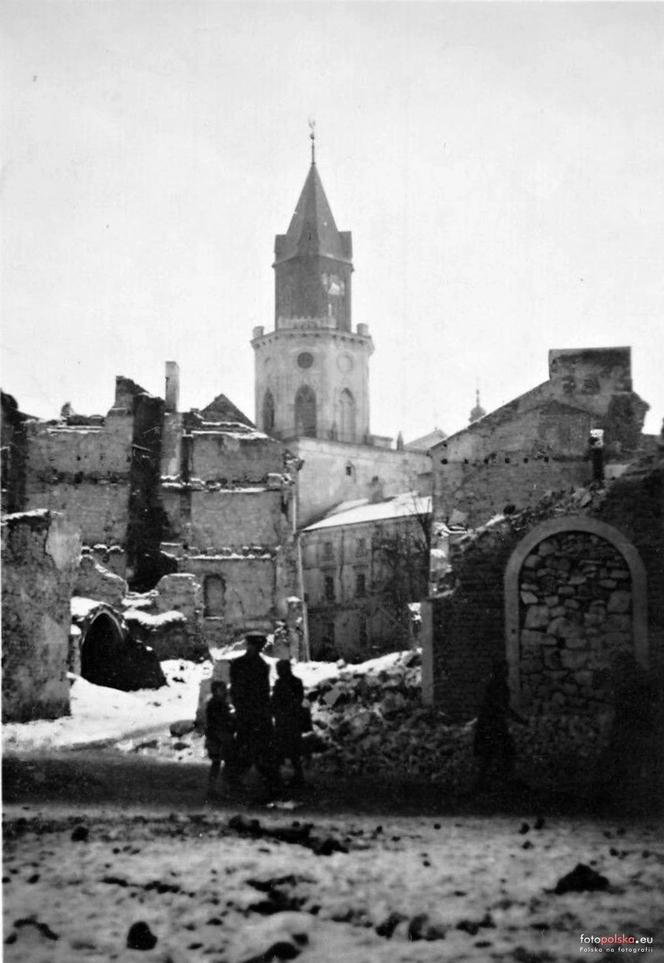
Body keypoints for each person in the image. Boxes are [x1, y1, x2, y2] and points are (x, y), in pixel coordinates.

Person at [229, 633, 281, 794]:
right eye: (255, 645)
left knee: (251, 748)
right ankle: (266, 781)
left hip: (251, 714)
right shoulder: (256, 665)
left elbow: (240, 691)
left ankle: (238, 780)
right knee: (256, 748)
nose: (256, 648)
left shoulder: (245, 664)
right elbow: (240, 691)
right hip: (253, 714)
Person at [473, 659, 525, 792]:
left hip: (490, 723)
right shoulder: (498, 686)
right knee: (502, 750)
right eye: (505, 669)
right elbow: (502, 707)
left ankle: (485, 781)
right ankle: (498, 780)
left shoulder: (496, 685)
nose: (507, 672)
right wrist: (519, 720)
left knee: (492, 753)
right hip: (493, 724)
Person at [271, 659, 306, 787]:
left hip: (286, 722)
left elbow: (276, 702)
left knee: (283, 750)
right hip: (291, 722)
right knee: (292, 751)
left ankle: (280, 778)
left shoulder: (282, 684)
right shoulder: (295, 682)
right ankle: (297, 776)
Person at [204, 680, 236, 798]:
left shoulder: (216, 703)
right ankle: (223, 787)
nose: (225, 691)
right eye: (222, 689)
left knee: (218, 763)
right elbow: (221, 720)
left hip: (216, 736)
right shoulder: (218, 704)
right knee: (224, 762)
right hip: (219, 737)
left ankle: (215, 787)